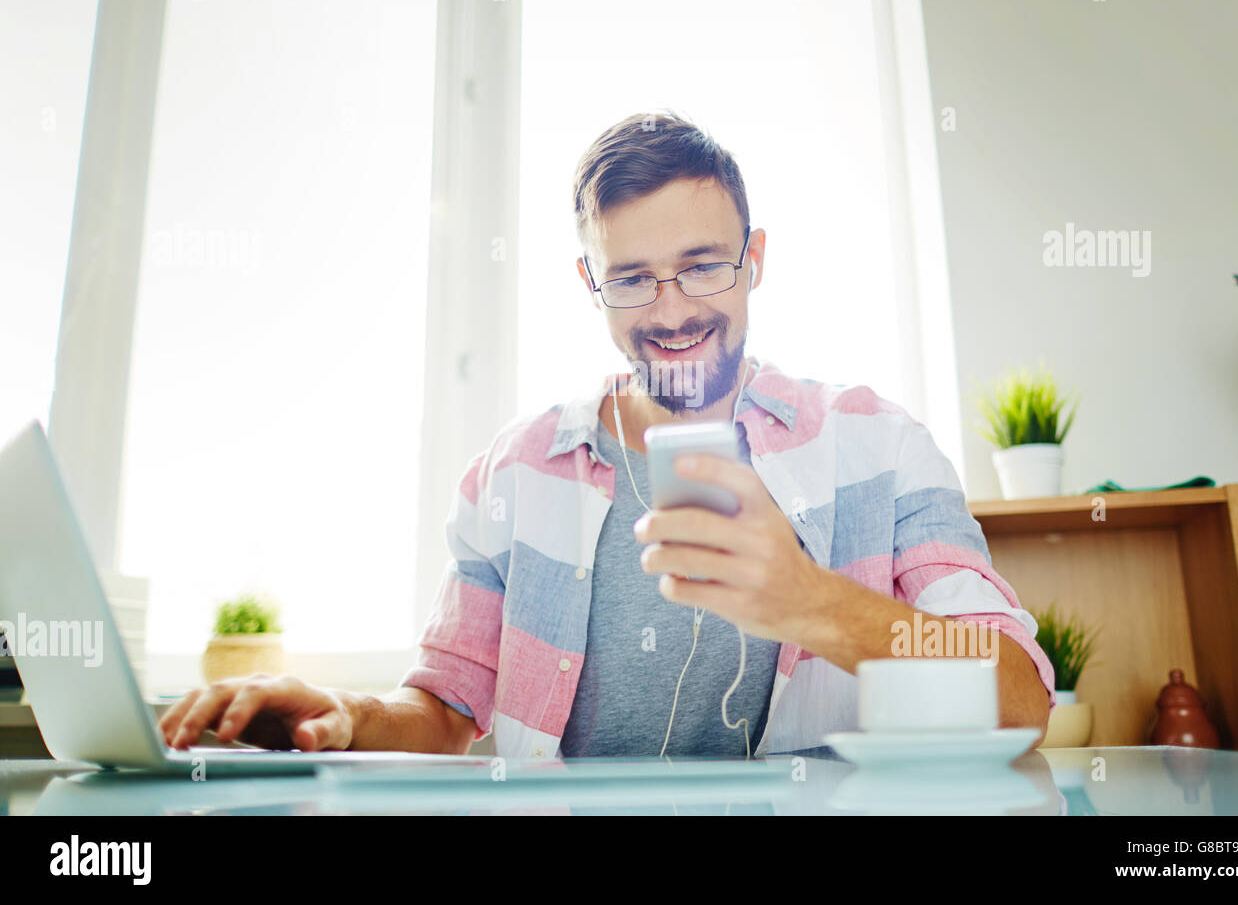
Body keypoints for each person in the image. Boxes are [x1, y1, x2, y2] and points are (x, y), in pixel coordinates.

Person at [161, 110, 1053, 758]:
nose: (670, 313)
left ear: (756, 261)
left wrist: (810, 602)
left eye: (702, 266)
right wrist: (347, 718)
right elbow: (441, 710)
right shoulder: (515, 470)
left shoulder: (876, 445)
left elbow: (1018, 699)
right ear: (589, 283)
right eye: (632, 279)